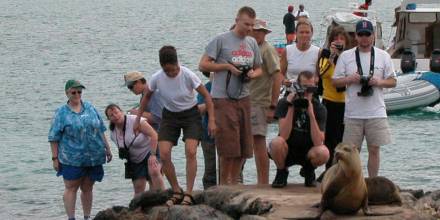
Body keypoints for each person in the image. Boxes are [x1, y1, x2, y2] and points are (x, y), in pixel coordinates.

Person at [134, 45, 216, 206]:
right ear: (162, 67)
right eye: (167, 71)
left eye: (173, 70)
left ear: (177, 63)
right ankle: (177, 190)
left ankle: (189, 193)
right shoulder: (157, 77)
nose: (171, 73)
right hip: (170, 116)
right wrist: (137, 120)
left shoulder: (187, 75)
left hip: (191, 114)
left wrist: (211, 120)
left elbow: (207, 97)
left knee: (191, 151)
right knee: (164, 154)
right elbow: (146, 98)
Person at [198, 6, 263, 185]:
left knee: (243, 146)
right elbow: (203, 64)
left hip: (244, 96)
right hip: (223, 97)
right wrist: (227, 67)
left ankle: (234, 182)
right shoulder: (221, 40)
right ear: (237, 21)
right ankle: (224, 184)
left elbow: (259, 68)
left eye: (251, 25)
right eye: (245, 24)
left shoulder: (251, 43)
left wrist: (251, 74)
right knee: (228, 146)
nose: (249, 28)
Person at [332, 20, 396, 177]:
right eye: (361, 34)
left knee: (374, 149)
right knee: (351, 152)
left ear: (373, 36)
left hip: (376, 112)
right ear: (356, 36)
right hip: (353, 113)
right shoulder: (346, 56)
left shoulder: (383, 56)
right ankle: (352, 183)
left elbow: (393, 81)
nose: (364, 38)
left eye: (367, 34)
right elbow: (335, 81)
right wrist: (350, 79)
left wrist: (378, 82)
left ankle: (372, 181)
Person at [48, 80, 112, 220]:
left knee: (88, 188)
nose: (77, 94)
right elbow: (53, 137)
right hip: (71, 159)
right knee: (71, 188)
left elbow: (100, 129)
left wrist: (107, 148)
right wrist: (55, 158)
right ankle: (71, 218)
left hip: (94, 157)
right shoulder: (61, 113)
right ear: (67, 93)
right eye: (74, 92)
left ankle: (87, 217)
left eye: (79, 92)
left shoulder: (90, 107)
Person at [269, 71, 329, 188]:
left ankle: (309, 171)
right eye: (304, 87)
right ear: (297, 86)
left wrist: (311, 114)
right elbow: (283, 136)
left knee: (324, 152)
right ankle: (281, 172)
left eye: (310, 88)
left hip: (308, 151)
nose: (306, 92)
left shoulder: (319, 108)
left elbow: (318, 142)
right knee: (276, 143)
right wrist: (292, 106)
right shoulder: (285, 103)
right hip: (288, 149)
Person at [105, 104, 165, 197]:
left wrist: (153, 155)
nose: (116, 116)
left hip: (150, 149)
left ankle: (162, 199)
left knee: (154, 171)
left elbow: (154, 135)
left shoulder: (134, 120)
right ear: (109, 119)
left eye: (117, 112)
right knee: (138, 187)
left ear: (121, 112)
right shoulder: (113, 133)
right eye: (112, 115)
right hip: (135, 159)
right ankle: (138, 208)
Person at [249, 19, 282, 184]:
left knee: (259, 142)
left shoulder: (267, 50)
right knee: (250, 143)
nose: (257, 33)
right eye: (255, 30)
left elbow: (277, 76)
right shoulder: (250, 48)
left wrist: (273, 105)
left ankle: (263, 182)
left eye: (260, 31)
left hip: (260, 102)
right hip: (247, 101)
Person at [318, 26, 350, 171]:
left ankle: (339, 170)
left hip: (344, 103)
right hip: (328, 101)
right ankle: (328, 170)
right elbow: (322, 72)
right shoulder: (325, 55)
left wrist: (340, 56)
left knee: (341, 139)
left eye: (341, 39)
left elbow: (348, 76)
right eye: (336, 39)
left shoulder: (349, 57)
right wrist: (331, 56)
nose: (339, 42)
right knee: (328, 139)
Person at [280, 19, 320, 89]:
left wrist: (314, 80)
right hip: (291, 91)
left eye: (307, 32)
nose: (304, 35)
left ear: (312, 33)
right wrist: (284, 81)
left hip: (310, 93)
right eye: (301, 32)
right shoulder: (287, 50)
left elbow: (319, 76)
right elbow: (280, 74)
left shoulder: (318, 52)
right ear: (296, 33)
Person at [197, 71, 217, 189]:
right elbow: (199, 109)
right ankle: (208, 193)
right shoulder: (207, 88)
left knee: (233, 170)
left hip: (228, 132)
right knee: (210, 169)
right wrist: (211, 102)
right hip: (208, 133)